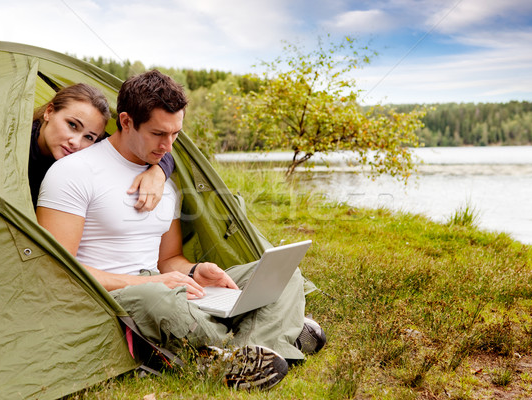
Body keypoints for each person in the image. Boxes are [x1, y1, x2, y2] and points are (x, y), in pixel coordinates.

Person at [36, 70, 325, 391]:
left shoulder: (163, 179)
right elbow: (60, 269)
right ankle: (273, 335)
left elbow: (169, 258)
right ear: (127, 121)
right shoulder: (72, 172)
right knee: (157, 298)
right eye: (158, 133)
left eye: (175, 134)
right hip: (116, 295)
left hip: (164, 285)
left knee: (285, 274)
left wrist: (195, 270)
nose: (168, 145)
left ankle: (242, 352)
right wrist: (151, 281)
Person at [29, 83, 174, 210]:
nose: (76, 142)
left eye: (89, 137)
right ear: (49, 112)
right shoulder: (16, 143)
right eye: (72, 125)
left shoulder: (95, 149)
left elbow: (157, 151)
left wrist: (158, 172)